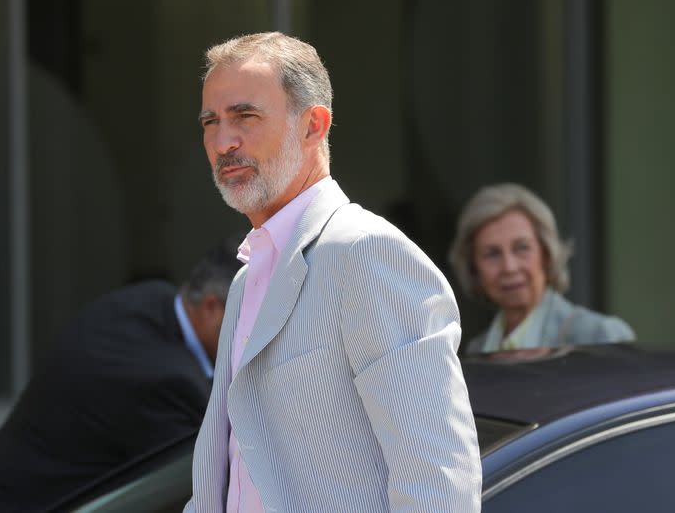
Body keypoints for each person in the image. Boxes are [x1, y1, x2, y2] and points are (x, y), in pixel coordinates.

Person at [187, 32, 481, 512]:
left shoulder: (365, 251)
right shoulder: (245, 280)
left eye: (245, 116)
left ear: (313, 126)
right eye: (210, 121)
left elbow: (438, 484)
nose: (223, 141)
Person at [0, 237, 241, 513]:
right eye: (248, 316)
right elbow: (207, 493)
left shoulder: (150, 300)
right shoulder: (170, 384)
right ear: (212, 308)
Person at [448, 182, 636, 354]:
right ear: (473, 268)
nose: (509, 267)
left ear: (546, 255)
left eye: (522, 248)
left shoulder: (601, 336)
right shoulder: (476, 350)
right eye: (492, 254)